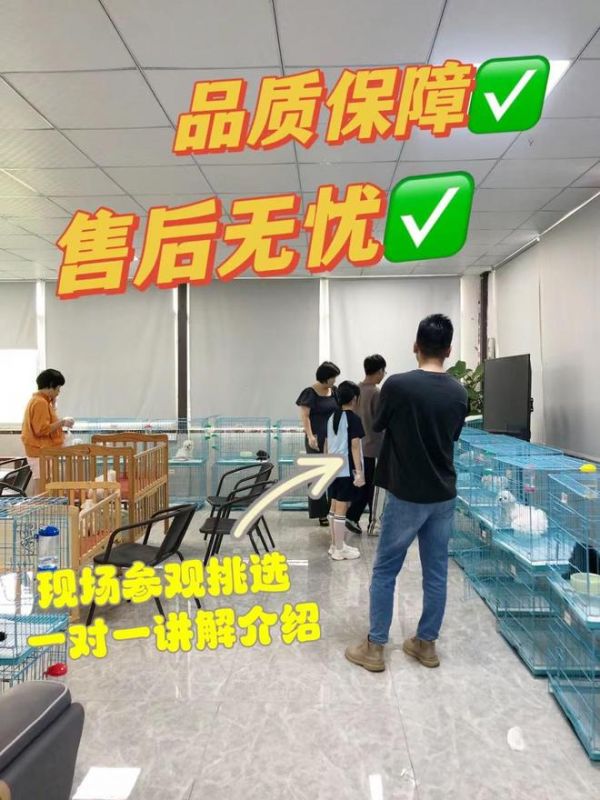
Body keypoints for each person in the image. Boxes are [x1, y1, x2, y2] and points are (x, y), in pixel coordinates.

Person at [345, 315, 468, 672]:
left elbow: (379, 424)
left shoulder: (397, 386)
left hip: (406, 494)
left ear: (415, 345)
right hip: (443, 495)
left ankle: (375, 648)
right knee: (436, 572)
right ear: (448, 350)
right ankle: (426, 644)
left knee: (386, 569)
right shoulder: (459, 392)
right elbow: (453, 436)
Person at [345, 354, 387, 536]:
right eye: (384, 371)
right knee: (375, 489)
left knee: (362, 485)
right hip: (373, 447)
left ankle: (352, 517)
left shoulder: (355, 390)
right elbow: (381, 421)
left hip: (357, 447)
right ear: (379, 371)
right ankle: (373, 525)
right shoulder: (377, 393)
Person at [324, 381, 365, 561]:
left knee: (333, 507)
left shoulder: (332, 417)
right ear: (354, 398)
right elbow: (355, 446)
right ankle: (340, 549)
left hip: (332, 469)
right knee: (341, 509)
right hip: (345, 470)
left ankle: (335, 545)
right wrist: (359, 472)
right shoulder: (353, 419)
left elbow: (326, 444)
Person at [296, 361, 340, 526]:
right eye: (333, 377)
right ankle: (321, 513)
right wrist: (310, 436)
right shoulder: (310, 393)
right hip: (316, 438)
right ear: (325, 377)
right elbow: (305, 416)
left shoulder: (334, 391)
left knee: (334, 474)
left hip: (333, 438)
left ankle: (333, 509)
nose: (334, 380)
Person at [21, 369, 74, 493]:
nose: (59, 392)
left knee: (43, 486)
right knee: (42, 488)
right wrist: (62, 422)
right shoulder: (40, 403)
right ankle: (39, 506)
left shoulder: (41, 401)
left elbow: (46, 423)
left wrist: (53, 405)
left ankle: (40, 504)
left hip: (41, 451)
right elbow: (41, 429)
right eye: (58, 388)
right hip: (40, 452)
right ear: (51, 385)